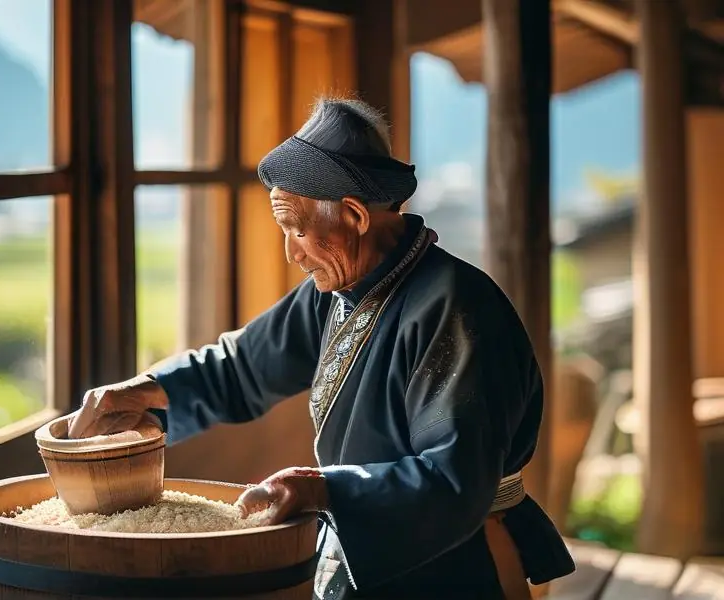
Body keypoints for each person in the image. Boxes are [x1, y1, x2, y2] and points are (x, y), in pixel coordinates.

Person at [68, 97, 575, 599]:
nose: (291, 252)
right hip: (376, 551)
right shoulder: (340, 290)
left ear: (354, 216)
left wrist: (324, 488)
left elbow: (453, 478)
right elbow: (244, 365)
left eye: (297, 229)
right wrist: (146, 394)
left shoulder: (457, 310)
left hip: (462, 565)